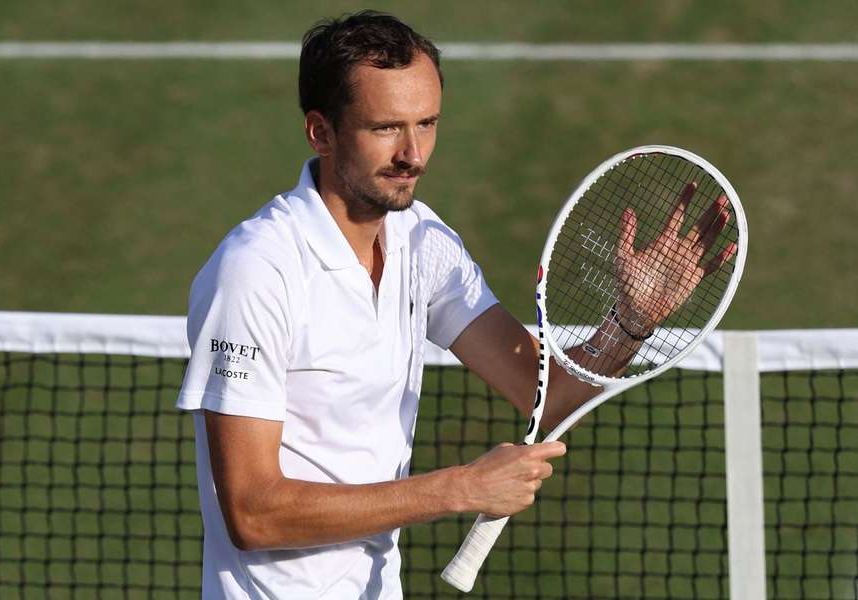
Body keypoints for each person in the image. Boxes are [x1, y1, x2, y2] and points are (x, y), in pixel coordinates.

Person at [176, 11, 732, 599]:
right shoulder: (257, 270)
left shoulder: (422, 241)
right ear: (321, 132)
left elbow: (544, 394)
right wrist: (462, 488)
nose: (413, 154)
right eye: (386, 128)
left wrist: (630, 323)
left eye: (428, 123)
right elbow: (254, 514)